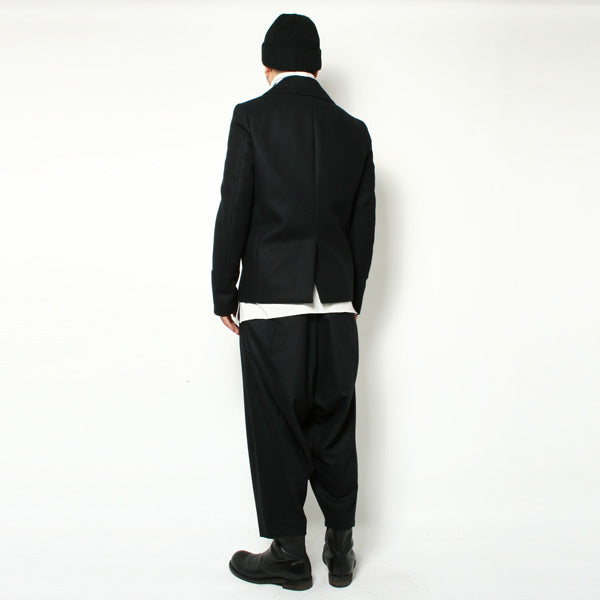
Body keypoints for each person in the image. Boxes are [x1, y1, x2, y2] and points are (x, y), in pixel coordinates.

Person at [211, 13, 376, 590]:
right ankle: (341, 549)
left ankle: (288, 554)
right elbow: (363, 226)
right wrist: (349, 298)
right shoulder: (353, 130)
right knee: (334, 425)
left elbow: (236, 204)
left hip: (270, 302)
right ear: (318, 67)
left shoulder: (251, 117)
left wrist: (223, 291)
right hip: (335, 306)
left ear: (268, 65)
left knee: (277, 429)